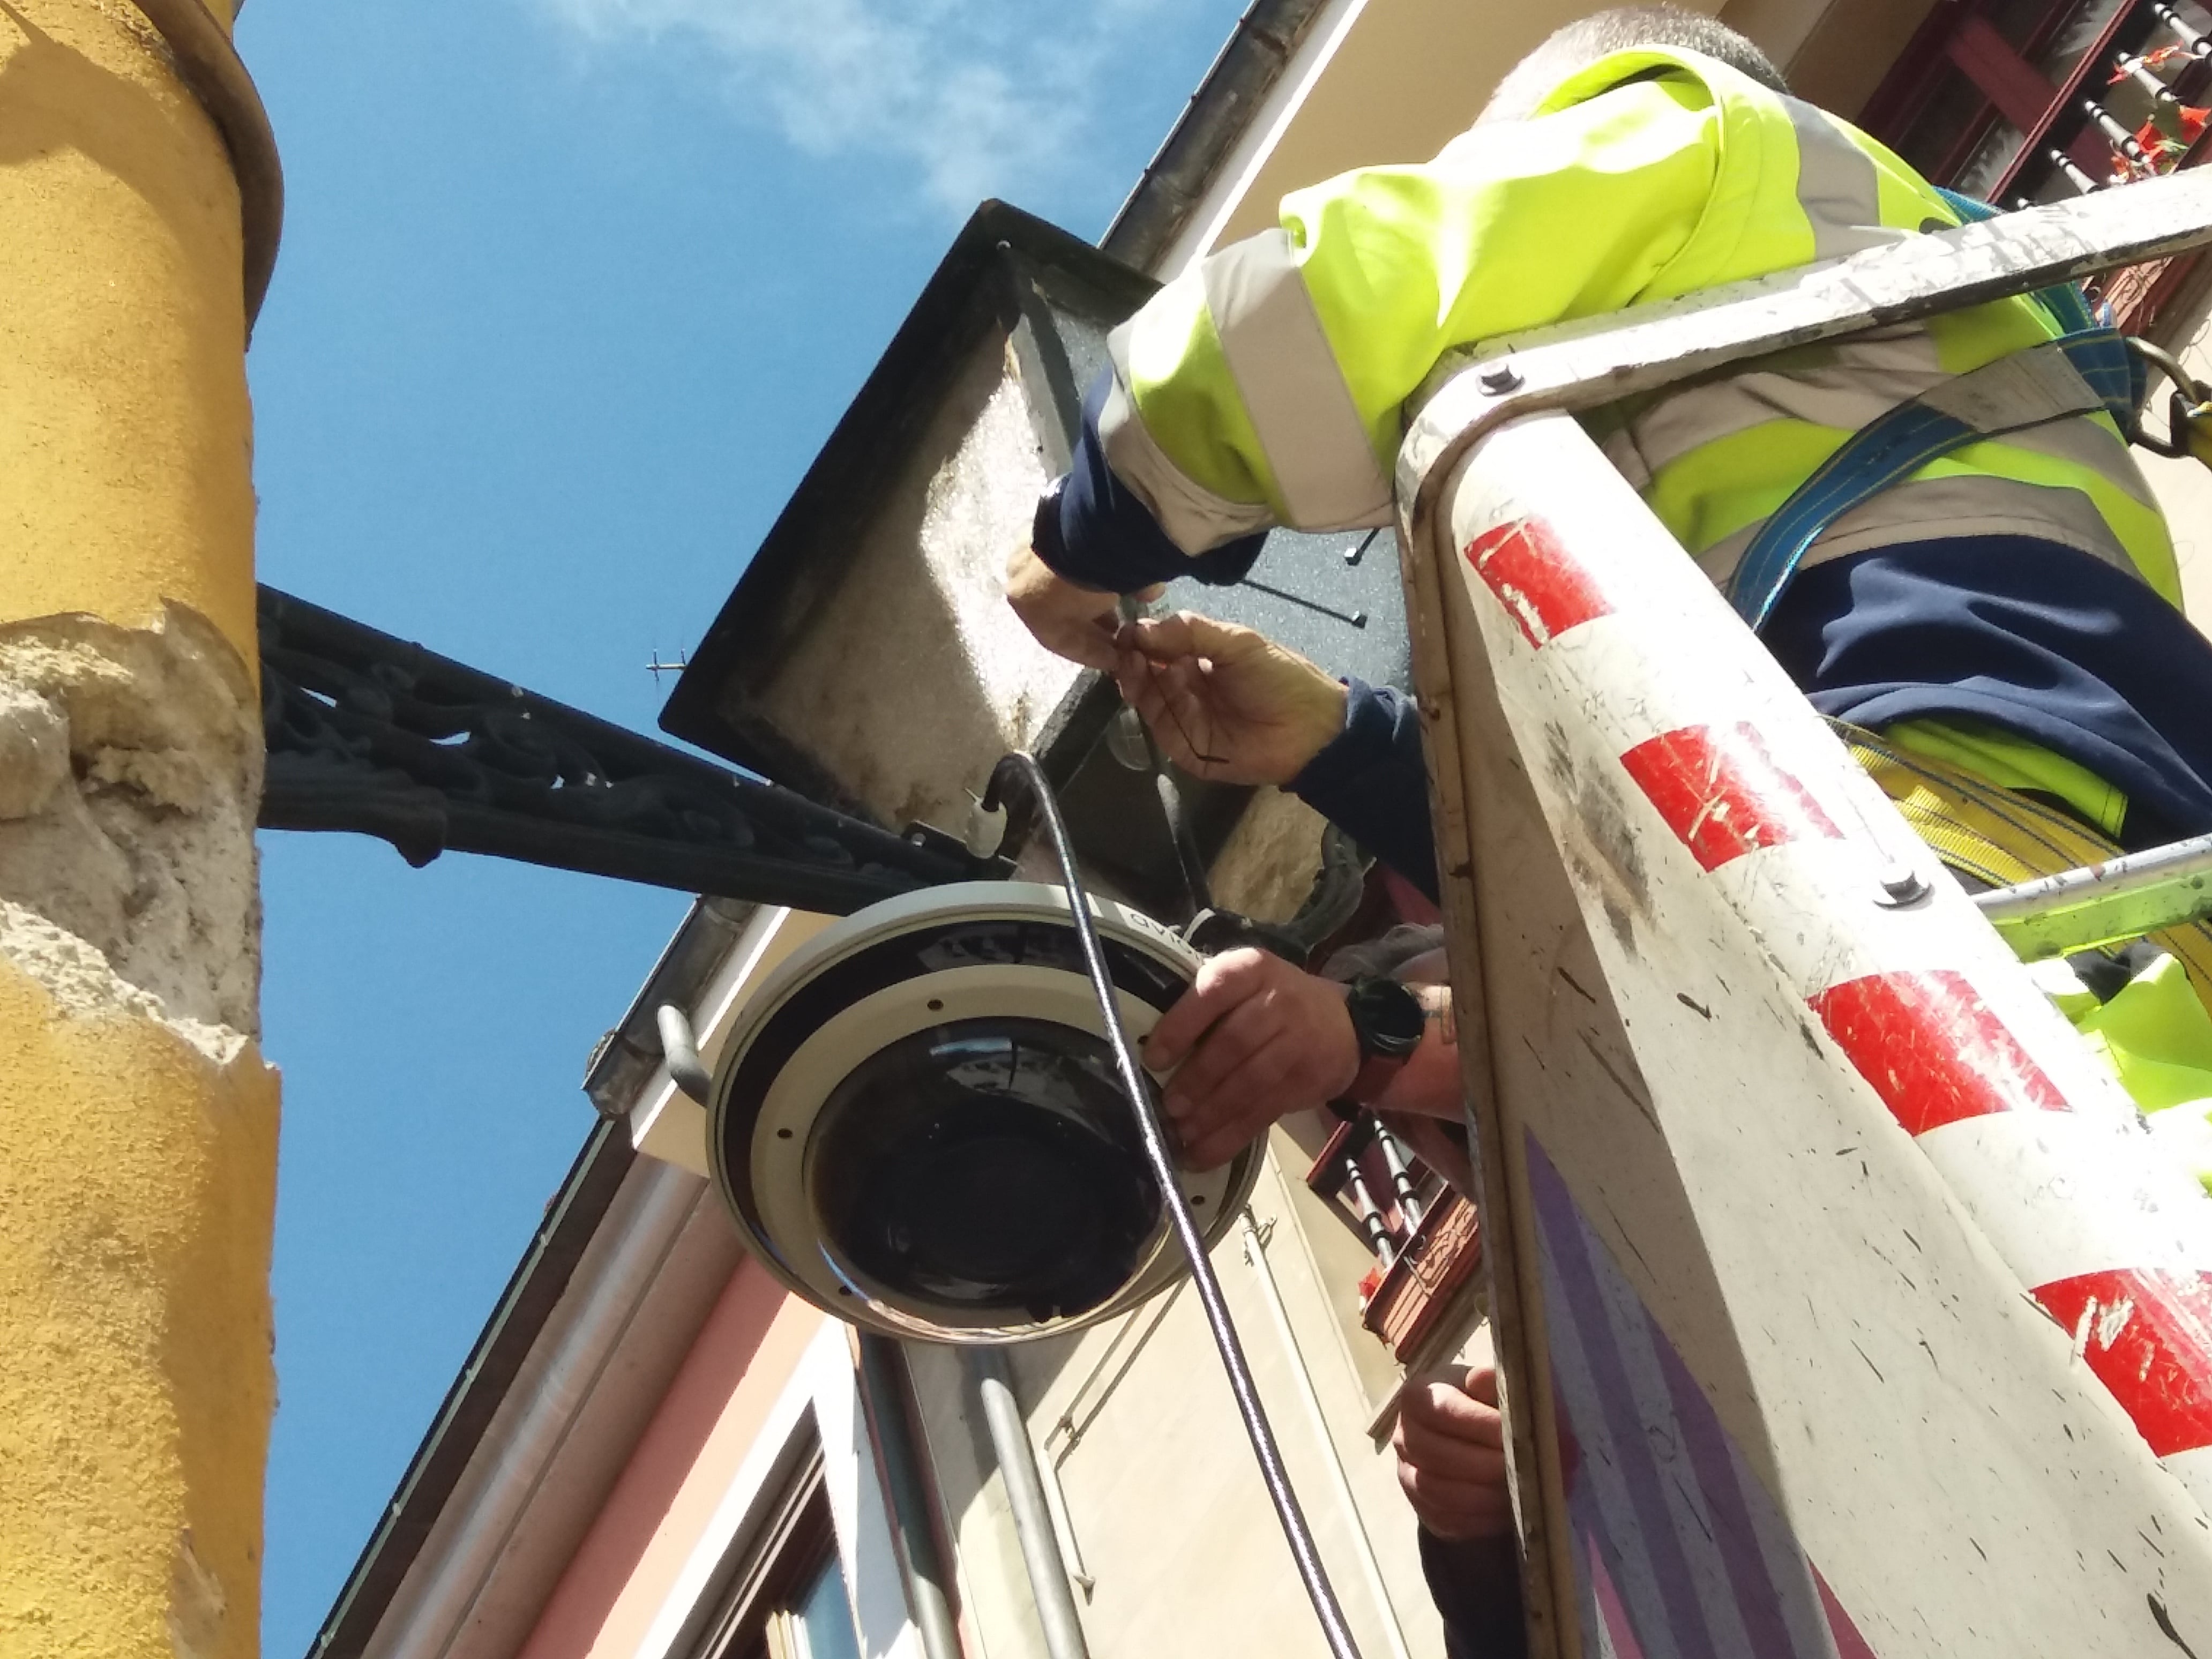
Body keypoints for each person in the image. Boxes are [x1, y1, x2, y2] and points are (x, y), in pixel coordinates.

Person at [1007, 5, 2212, 1188]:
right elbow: (1656, 853)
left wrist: (1090, 532)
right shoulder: (1934, 379)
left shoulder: (1700, 140)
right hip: (2108, 944)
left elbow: (1309, 317)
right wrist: (1337, 736)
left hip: (1975, 905)